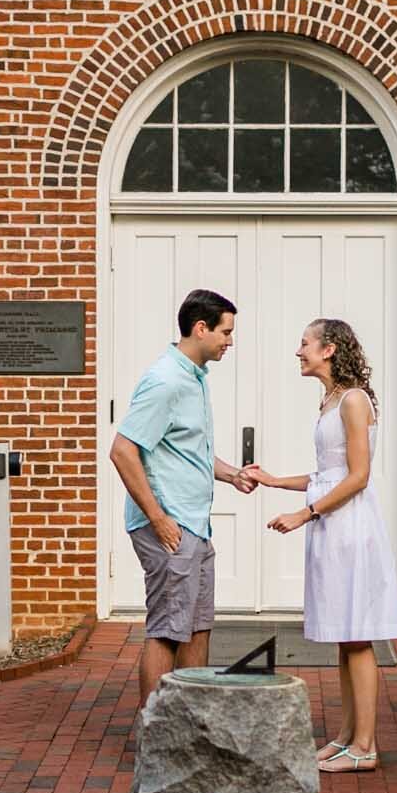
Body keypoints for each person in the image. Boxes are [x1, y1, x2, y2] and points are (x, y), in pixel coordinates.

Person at [245, 318, 397, 772]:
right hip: (332, 525)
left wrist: (305, 514)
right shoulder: (331, 399)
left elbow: (358, 476)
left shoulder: (353, 400)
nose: (299, 352)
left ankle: (366, 748)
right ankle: (346, 736)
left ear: (329, 349)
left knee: (356, 637)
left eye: (305, 344)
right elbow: (326, 475)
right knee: (342, 636)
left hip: (350, 528)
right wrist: (274, 481)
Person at [108, 288, 258, 708]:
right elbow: (123, 450)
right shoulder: (166, 381)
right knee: (167, 629)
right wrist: (157, 518)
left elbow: (185, 450)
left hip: (194, 525)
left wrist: (231, 475)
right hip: (169, 526)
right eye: (226, 333)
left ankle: (190, 726)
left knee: (196, 627)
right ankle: (156, 734)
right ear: (201, 328)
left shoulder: (194, 377)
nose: (230, 341)